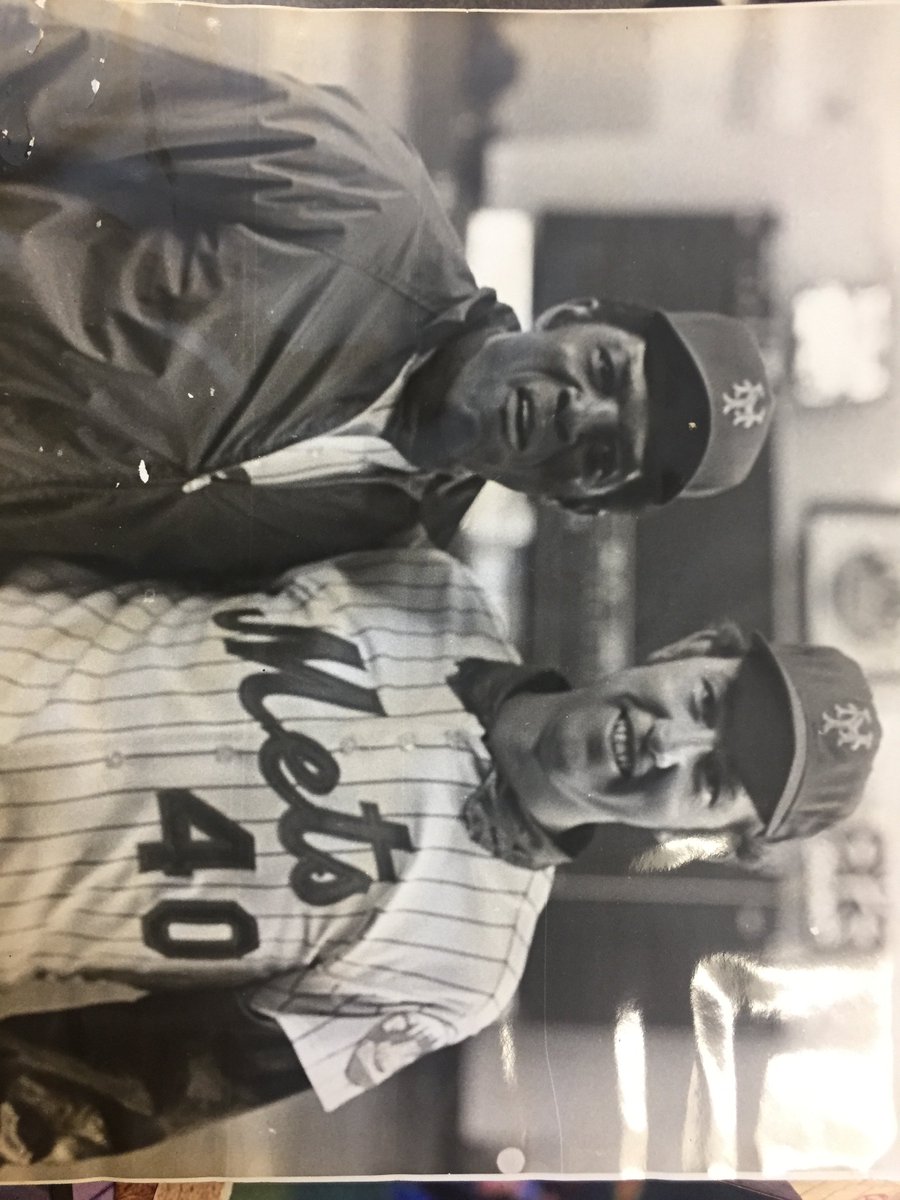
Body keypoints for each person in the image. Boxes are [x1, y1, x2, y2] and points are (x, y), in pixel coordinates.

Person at [0, 549, 881, 1165]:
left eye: (710, 778)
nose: (667, 744)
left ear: (704, 842)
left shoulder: (466, 972)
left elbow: (132, 1083)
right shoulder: (426, 583)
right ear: (688, 652)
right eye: (704, 701)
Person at [0, 8, 774, 584]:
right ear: (573, 315)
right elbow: (54, 82)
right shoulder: (366, 198)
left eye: (607, 454)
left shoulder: (379, 563)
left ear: (577, 501)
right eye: (607, 370)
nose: (580, 412)